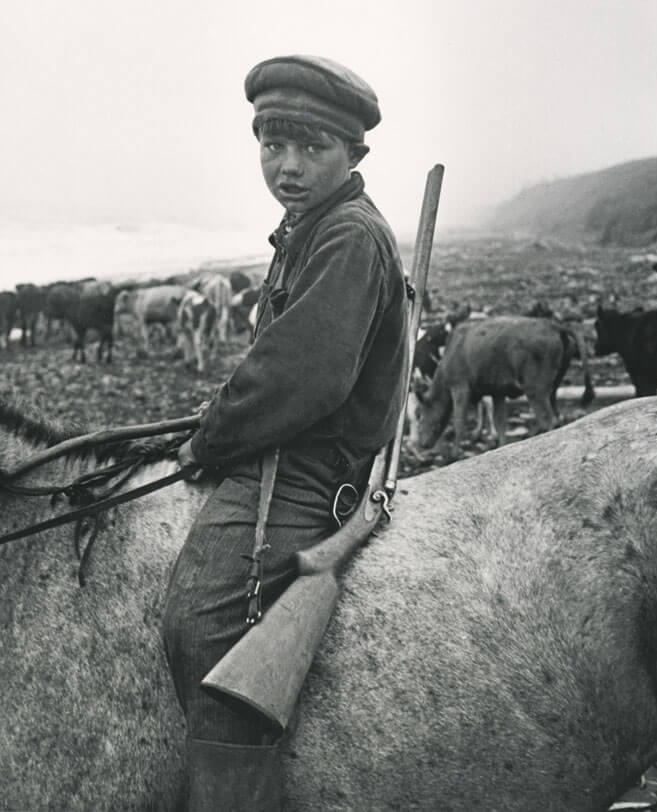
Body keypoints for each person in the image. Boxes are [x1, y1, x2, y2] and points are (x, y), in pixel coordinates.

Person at [162, 54, 409, 810]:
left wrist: (208, 443)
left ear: (352, 154)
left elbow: (300, 378)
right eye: (274, 145)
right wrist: (212, 422)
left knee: (200, 618)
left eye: (311, 148)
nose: (288, 167)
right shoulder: (312, 225)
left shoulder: (347, 237)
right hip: (295, 447)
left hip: (309, 472)